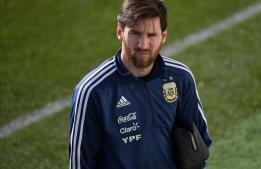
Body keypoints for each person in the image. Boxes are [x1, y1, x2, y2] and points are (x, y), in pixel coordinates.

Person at [69, 0, 212, 168]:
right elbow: (80, 162)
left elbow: (198, 143)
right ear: (120, 31)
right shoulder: (92, 91)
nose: (143, 44)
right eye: (135, 33)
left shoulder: (180, 77)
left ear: (163, 36)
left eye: (152, 35)